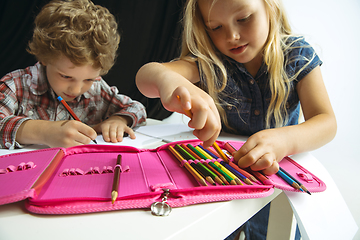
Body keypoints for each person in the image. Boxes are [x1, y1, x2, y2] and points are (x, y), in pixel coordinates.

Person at [136, 0, 336, 239]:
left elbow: (326, 121)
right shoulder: (209, 61)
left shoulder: (297, 54)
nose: (232, 36)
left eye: (243, 19)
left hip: (276, 190)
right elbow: (145, 76)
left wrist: (284, 141)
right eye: (215, 27)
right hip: (221, 184)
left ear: (269, 7)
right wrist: (168, 81)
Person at [0, 0, 146, 149]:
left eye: (88, 79)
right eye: (66, 76)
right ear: (44, 58)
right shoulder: (15, 86)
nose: (76, 90)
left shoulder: (96, 88)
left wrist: (119, 120)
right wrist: (44, 132)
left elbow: (136, 108)